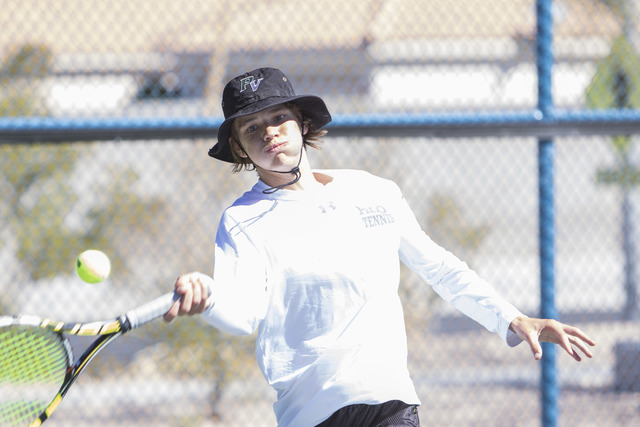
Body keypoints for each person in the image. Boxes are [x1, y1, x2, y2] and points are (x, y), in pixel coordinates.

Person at [163, 67, 595, 427]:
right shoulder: (241, 220)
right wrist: (210, 296)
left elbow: (440, 268)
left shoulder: (373, 191)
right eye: (252, 127)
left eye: (279, 118)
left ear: (303, 124)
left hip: (390, 401)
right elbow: (242, 315)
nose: (270, 133)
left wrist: (510, 317)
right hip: (312, 415)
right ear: (238, 146)